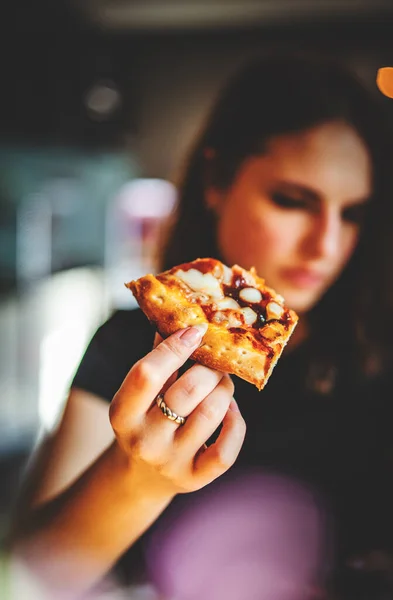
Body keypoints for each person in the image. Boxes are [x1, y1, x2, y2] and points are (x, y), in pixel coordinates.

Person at [9, 51, 393, 599]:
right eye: (292, 201)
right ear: (216, 180)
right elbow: (32, 575)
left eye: (352, 213)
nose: (326, 246)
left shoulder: (379, 351)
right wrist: (137, 480)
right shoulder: (128, 344)